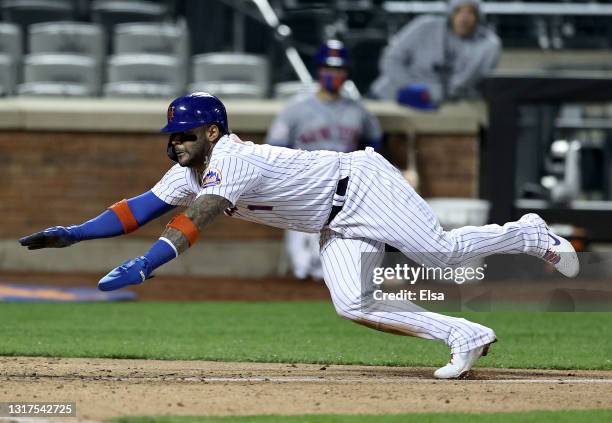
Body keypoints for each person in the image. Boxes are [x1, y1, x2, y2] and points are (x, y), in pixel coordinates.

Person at [19, 92, 579, 379]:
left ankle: (528, 234)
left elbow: (207, 212)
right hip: (331, 220)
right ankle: (465, 334)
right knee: (352, 302)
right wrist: (72, 234)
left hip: (361, 185)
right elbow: (136, 209)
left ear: (212, 130)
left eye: (183, 133)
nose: (175, 142)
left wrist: (148, 264)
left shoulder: (231, 159)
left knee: (440, 252)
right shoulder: (186, 170)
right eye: (171, 135)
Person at [267, 39, 383, 280]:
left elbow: (375, 142)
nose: (334, 75)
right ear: (318, 71)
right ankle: (302, 276)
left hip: (344, 184)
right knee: (302, 261)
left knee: (333, 253)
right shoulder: (295, 108)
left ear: (347, 73)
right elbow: (275, 148)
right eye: (329, 69)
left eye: (339, 70)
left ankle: (328, 275)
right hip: (304, 181)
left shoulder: (359, 110)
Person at [369, 0, 501, 107]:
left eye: (471, 12)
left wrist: (430, 93)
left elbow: (463, 83)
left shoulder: (487, 44)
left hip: (437, 108)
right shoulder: (425, 25)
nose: (464, 18)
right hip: (388, 98)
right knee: (368, 140)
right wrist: (414, 88)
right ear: (450, 13)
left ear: (478, 17)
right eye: (459, 11)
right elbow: (390, 60)